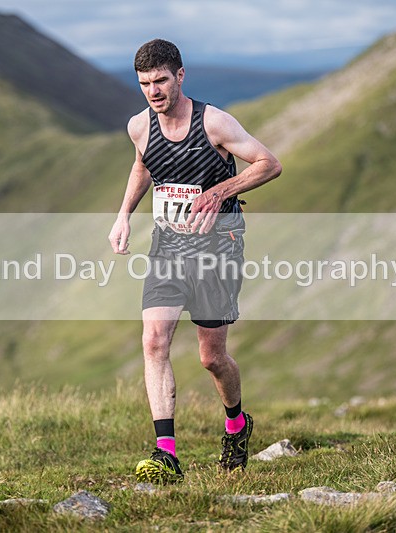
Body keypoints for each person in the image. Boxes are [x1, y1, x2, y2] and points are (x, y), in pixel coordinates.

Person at [108, 39, 282, 484]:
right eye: (145, 83)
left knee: (211, 357)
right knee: (153, 340)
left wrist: (221, 191)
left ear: (180, 76)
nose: (154, 91)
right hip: (168, 247)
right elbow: (143, 166)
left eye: (161, 80)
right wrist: (124, 215)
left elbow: (269, 163)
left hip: (217, 250)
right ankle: (166, 453)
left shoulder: (215, 122)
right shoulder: (139, 126)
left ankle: (236, 424)